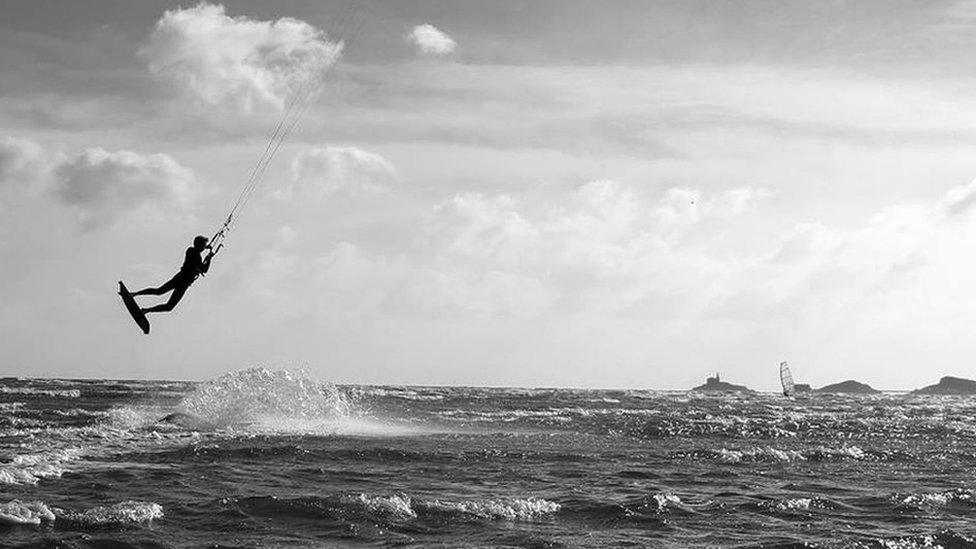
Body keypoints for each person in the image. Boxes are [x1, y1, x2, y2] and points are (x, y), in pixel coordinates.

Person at [132, 235, 214, 314]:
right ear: (200, 246)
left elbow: (199, 254)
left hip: (182, 280)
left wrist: (207, 248)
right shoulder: (196, 256)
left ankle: (140, 302)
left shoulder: (191, 250)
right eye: (203, 246)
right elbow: (204, 269)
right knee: (164, 299)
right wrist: (210, 257)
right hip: (182, 281)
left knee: (162, 296)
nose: (204, 247)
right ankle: (141, 304)